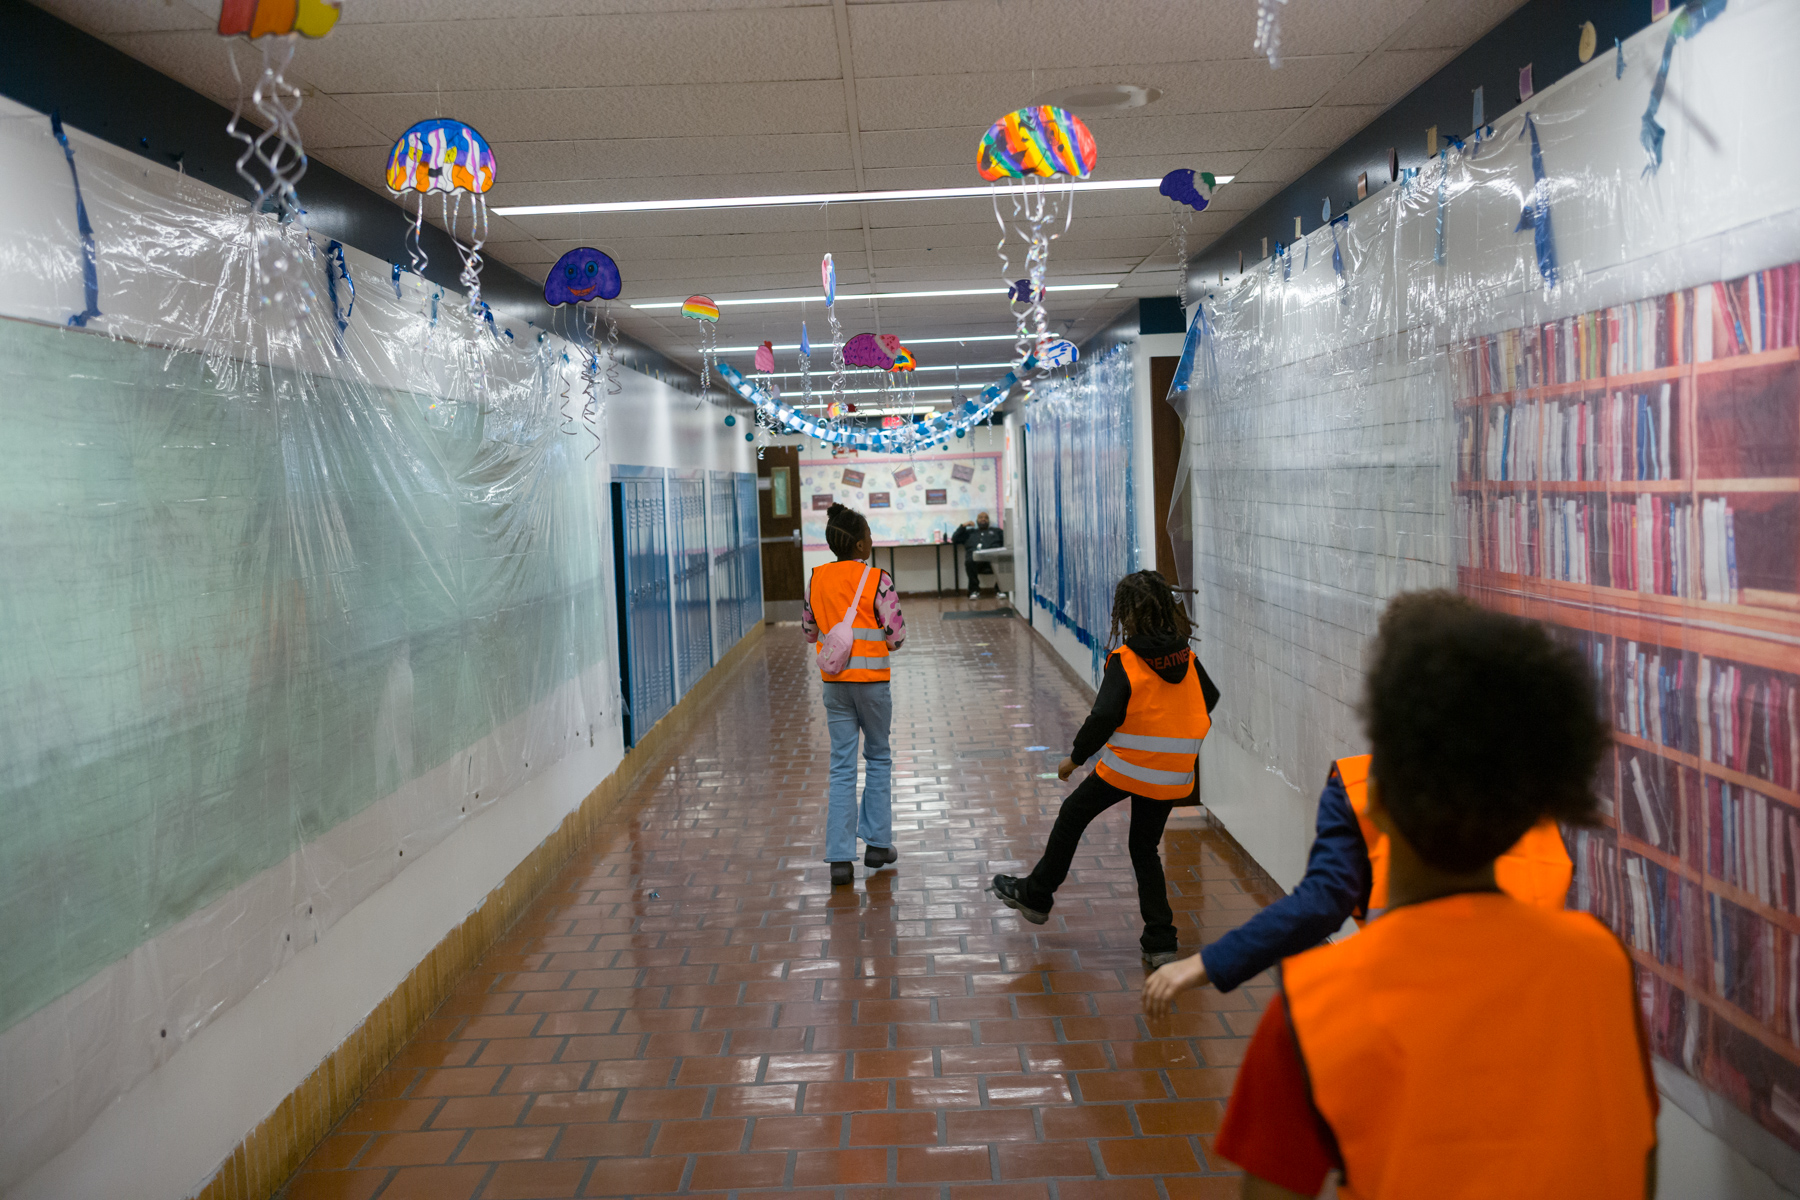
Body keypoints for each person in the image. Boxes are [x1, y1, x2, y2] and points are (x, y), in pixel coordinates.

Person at [1211, 591, 1657, 1199]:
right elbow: (1638, 1168)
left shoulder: (1313, 1007)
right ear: (1538, 805)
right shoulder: (1602, 967)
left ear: (1380, 798)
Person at [1141, 748, 1574, 1010]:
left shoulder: (1362, 787)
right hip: (1534, 1021)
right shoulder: (1534, 796)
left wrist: (1208, 963)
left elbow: (1321, 902)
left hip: (1409, 1013)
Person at [991, 570, 1218, 969]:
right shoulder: (1187, 654)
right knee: (1144, 848)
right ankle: (1160, 939)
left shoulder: (1126, 659)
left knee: (1072, 815)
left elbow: (1103, 718)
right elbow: (1209, 699)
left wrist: (1074, 759)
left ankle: (1037, 895)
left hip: (1129, 767)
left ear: (1127, 615)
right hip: (1173, 772)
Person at [803, 503, 905, 887]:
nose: (873, 541)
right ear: (861, 545)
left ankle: (840, 859)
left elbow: (809, 631)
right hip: (873, 685)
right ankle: (878, 844)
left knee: (842, 766)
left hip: (835, 687)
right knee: (878, 757)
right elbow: (896, 637)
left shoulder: (816, 578)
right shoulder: (878, 578)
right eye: (870, 536)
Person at [952, 512, 1003, 600]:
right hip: (975, 562)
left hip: (993, 560)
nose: (983, 519)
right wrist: (963, 526)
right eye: (980, 517)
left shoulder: (996, 531)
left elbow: (1008, 541)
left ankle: (1001, 589)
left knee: (1004, 559)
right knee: (969, 561)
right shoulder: (969, 533)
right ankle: (974, 591)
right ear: (977, 520)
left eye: (986, 517)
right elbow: (955, 539)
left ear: (989, 521)